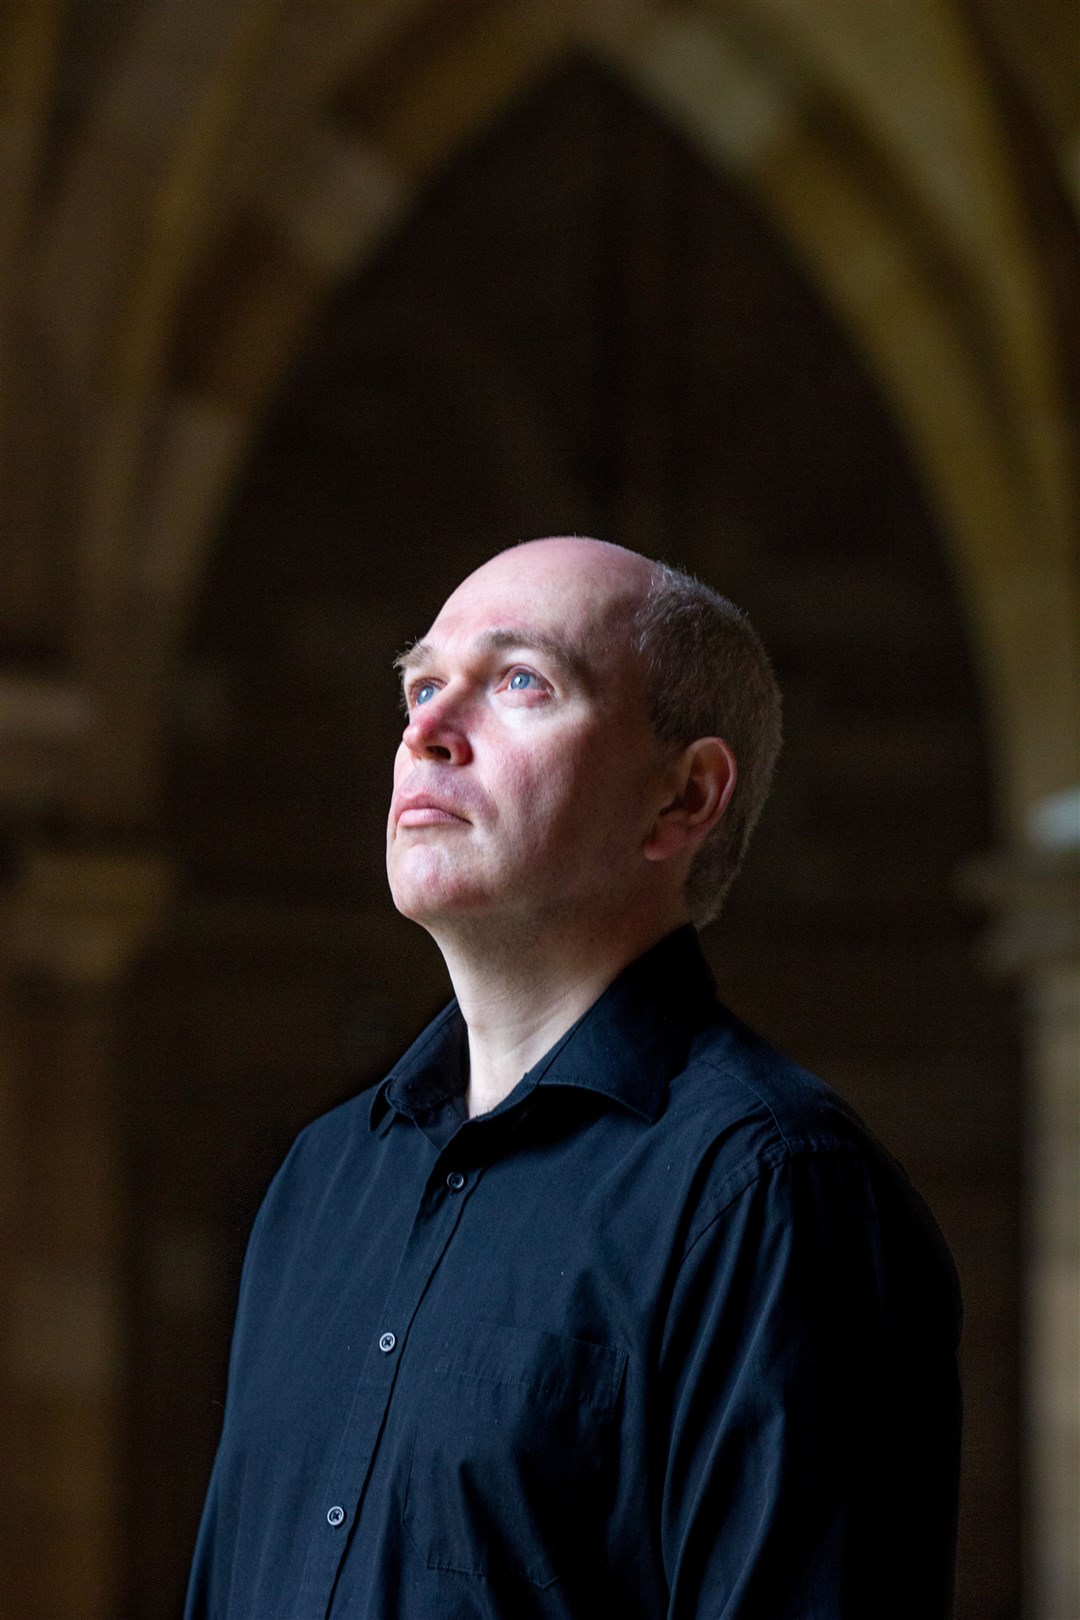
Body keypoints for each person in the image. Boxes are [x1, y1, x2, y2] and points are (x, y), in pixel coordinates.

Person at [184, 536, 962, 1620]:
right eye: (420, 685)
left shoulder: (772, 1192)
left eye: (519, 683)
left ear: (684, 800)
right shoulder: (321, 1181)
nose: (426, 733)